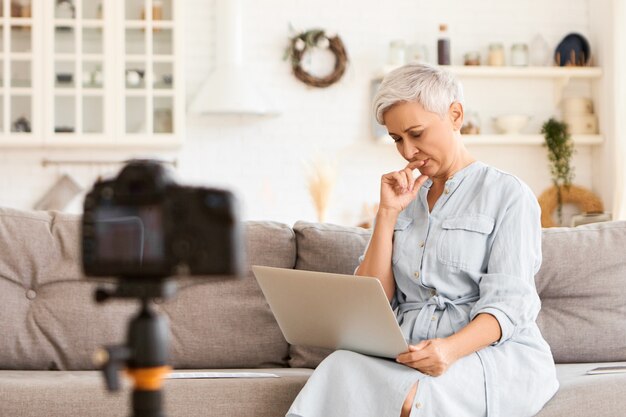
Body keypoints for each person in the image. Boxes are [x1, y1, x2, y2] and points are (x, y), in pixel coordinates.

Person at [286, 63, 559, 417]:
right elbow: (373, 299)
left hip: (488, 355)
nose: (408, 151)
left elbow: (509, 306)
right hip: (409, 353)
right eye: (397, 139)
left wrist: (447, 350)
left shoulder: (508, 194)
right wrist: (387, 214)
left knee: (412, 396)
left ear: (455, 115)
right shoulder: (405, 198)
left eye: (416, 133)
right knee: (338, 367)